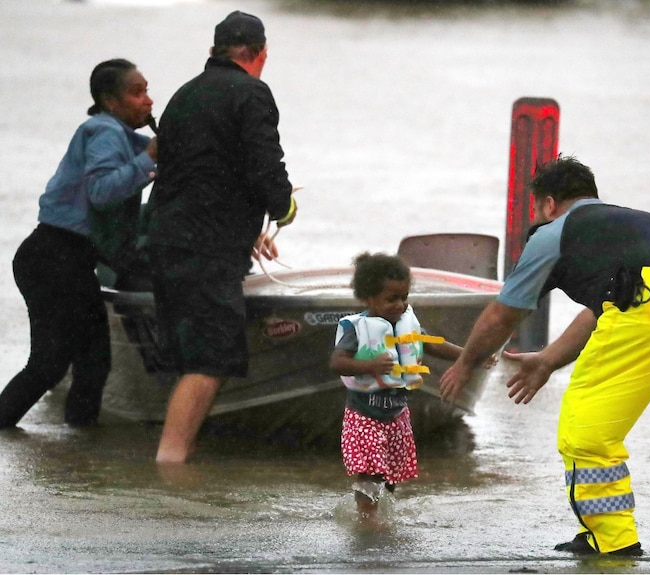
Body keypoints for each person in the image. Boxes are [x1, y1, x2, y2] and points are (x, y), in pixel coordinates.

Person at [439, 155, 650, 556]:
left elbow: (502, 314)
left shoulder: (554, 234)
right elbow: (604, 306)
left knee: (586, 432)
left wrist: (465, 363)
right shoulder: (634, 222)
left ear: (548, 204)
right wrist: (548, 359)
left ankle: (612, 541)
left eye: (539, 209)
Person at [147, 11, 296, 464]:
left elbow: (190, 173)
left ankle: (174, 461)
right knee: (209, 361)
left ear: (213, 51)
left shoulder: (184, 95)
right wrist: (283, 205)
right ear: (258, 54)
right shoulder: (251, 92)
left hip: (164, 241)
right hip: (206, 249)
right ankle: (170, 468)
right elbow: (263, 160)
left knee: (192, 357)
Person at [0, 59, 157, 428]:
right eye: (137, 92)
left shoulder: (115, 131)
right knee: (50, 364)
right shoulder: (104, 130)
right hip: (55, 257)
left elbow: (142, 153)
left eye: (148, 90)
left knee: (93, 361)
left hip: (59, 257)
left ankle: (79, 455)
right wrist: (152, 159)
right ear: (109, 100)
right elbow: (102, 192)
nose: (148, 100)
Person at [330, 252, 470, 521]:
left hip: (396, 415)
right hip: (365, 416)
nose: (400, 304)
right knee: (370, 472)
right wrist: (369, 366)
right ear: (368, 298)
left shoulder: (406, 322)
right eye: (391, 298)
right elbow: (337, 362)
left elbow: (431, 343)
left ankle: (381, 515)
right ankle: (367, 520)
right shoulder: (357, 329)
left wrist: (469, 356)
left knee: (390, 476)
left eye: (404, 297)